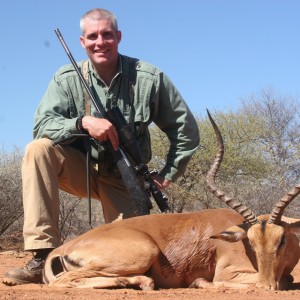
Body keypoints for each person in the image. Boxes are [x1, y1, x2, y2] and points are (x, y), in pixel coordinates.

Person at [3, 8, 199, 286]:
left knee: (132, 256)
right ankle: (42, 254)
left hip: (124, 179)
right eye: (92, 36)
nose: (100, 42)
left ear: (118, 37)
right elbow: (42, 126)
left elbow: (186, 130)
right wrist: (83, 123)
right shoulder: (66, 78)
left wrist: (168, 173)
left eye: (107, 35)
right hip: (78, 170)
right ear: (82, 42)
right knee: (38, 149)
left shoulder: (149, 77)